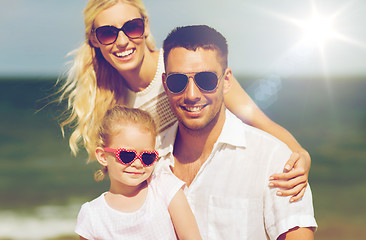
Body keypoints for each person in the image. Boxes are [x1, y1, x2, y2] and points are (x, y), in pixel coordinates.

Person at [58, 0, 309, 202]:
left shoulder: (185, 66)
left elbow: (255, 119)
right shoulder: (113, 105)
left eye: (132, 27)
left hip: (219, 193)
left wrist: (300, 155)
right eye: (107, 33)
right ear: (94, 40)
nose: (122, 41)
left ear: (145, 27)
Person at [157, 25, 317, 239]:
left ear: (226, 81)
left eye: (206, 80)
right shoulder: (149, 161)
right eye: (178, 82)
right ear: (165, 85)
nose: (192, 94)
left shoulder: (274, 160)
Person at [75, 106, 202, 239]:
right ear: (103, 156)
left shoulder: (165, 188)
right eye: (127, 155)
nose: (137, 164)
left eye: (147, 157)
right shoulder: (92, 215)